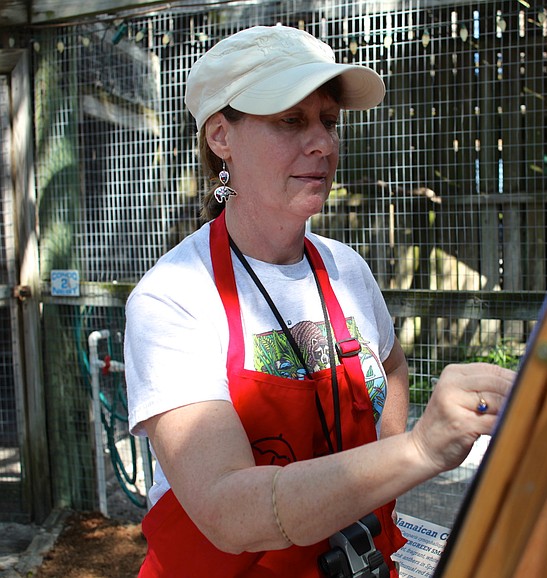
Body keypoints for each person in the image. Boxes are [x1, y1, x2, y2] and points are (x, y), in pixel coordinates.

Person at [124, 24, 514, 578]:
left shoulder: (345, 268)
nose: (324, 143)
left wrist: (371, 484)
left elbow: (392, 365)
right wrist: (418, 451)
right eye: (291, 121)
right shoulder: (174, 299)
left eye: (329, 122)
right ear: (220, 137)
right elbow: (228, 511)